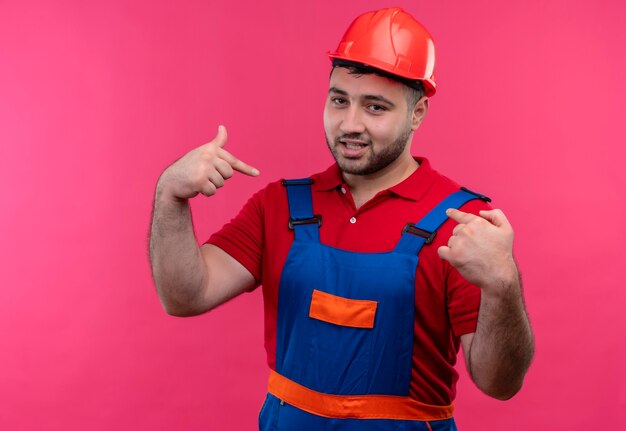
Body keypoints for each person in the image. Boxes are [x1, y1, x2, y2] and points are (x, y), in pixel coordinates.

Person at [149, 7, 534, 431]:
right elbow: (185, 296)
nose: (350, 124)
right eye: (339, 100)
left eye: (375, 107)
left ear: (418, 113)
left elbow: (500, 384)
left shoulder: (461, 223)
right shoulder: (278, 206)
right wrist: (171, 195)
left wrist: (503, 284)